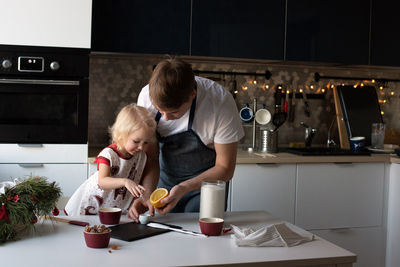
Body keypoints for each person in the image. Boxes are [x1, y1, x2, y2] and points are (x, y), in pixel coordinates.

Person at [129, 58, 244, 221]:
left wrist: (184, 187)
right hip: (165, 181)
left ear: (193, 94)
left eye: (174, 112)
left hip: (207, 188)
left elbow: (225, 168)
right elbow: (152, 157)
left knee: (203, 236)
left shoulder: (220, 103)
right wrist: (146, 194)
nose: (166, 118)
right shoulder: (146, 98)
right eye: (160, 111)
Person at [65, 104, 158, 216]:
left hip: (114, 208)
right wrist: (125, 181)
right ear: (121, 134)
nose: (141, 147)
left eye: (146, 142)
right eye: (136, 141)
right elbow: (102, 181)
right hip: (92, 206)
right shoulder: (108, 154)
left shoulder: (141, 156)